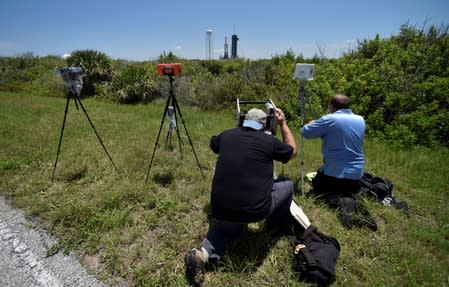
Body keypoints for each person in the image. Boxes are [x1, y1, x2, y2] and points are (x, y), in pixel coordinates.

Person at [184, 107, 297, 286]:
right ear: (264, 125)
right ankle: (274, 228)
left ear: (243, 122)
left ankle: (203, 254)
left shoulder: (227, 135)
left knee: (228, 230)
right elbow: (292, 151)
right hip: (255, 210)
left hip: (222, 208)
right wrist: (282, 123)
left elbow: (213, 143)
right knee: (288, 184)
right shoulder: (269, 141)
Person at [301, 94, 376, 230]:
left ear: (332, 106)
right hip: (357, 175)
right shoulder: (360, 120)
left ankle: (340, 201)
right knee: (349, 188)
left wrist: (311, 123)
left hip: (335, 175)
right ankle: (354, 200)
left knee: (318, 184)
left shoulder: (329, 119)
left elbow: (305, 133)